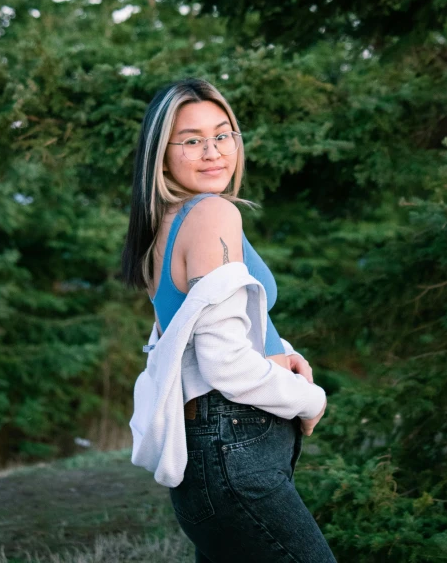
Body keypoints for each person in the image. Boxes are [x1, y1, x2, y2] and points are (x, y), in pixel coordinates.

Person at [121, 77, 337, 563]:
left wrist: (281, 354)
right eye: (192, 140)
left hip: (214, 453)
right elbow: (225, 363)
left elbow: (191, 338)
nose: (213, 151)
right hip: (233, 446)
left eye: (223, 135)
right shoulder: (212, 214)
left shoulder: (166, 223)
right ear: (161, 154)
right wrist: (311, 399)